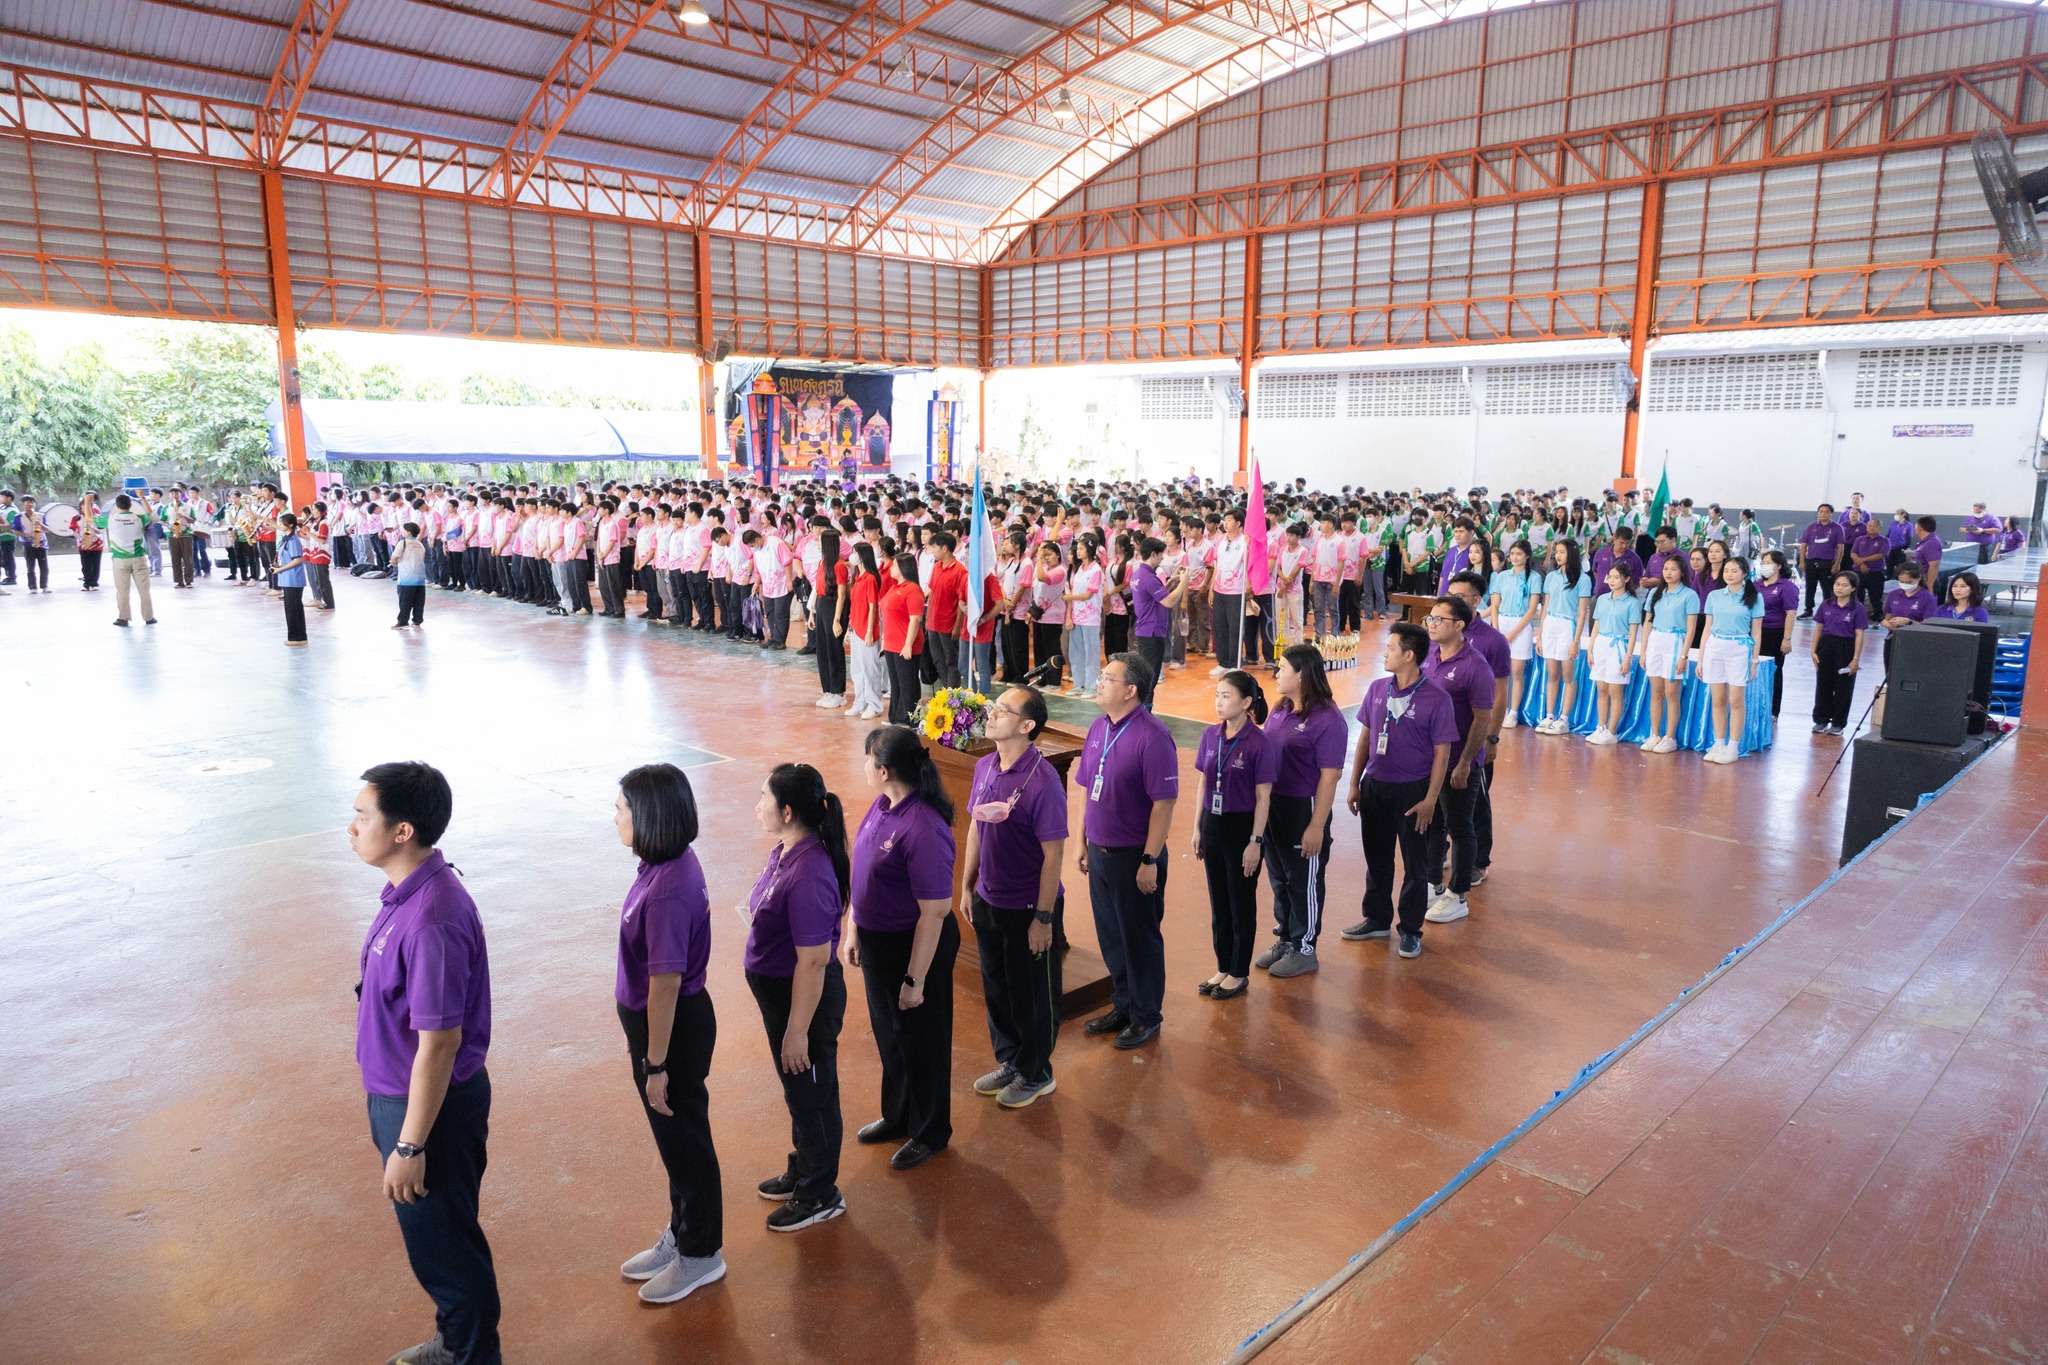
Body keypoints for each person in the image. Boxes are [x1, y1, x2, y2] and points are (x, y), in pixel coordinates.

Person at [348, 762, 499, 1365]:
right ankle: (456, 1340)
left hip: (426, 1111)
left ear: (402, 830)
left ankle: (473, 1356)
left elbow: (439, 1044)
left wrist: (410, 1147)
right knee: (437, 1243)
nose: (352, 827)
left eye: (363, 816)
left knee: (448, 1251)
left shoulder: (433, 917)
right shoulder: (406, 895)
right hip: (401, 1098)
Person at [609, 764, 725, 1304]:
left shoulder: (668, 890)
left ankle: (702, 1254)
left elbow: (665, 984)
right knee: (674, 1143)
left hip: (671, 1032)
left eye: (622, 809)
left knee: (685, 1144)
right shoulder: (662, 865)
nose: (615, 818)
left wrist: (655, 1065)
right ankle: (682, 1233)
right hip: (661, 1029)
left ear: (650, 816)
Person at [744, 763, 851, 1232]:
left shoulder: (809, 872)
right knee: (798, 1091)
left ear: (787, 811)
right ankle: (804, 1165)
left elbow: (811, 962)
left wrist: (797, 1031)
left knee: (813, 1093)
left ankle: (819, 1193)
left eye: (763, 797)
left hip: (802, 1003)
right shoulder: (788, 850)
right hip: (782, 996)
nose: (757, 805)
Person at [848, 725, 960, 1172]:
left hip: (915, 948)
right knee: (891, 1036)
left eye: (868, 759)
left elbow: (933, 913)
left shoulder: (924, 826)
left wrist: (915, 979)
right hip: (879, 944)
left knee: (922, 1040)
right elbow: (862, 872)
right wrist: (854, 929)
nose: (865, 767)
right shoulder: (882, 806)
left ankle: (930, 1130)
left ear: (884, 769)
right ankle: (897, 1115)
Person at [962, 686, 1068, 1109]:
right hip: (990, 898)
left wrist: (1044, 918)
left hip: (1028, 908)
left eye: (1003, 710)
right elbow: (974, 827)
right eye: (994, 706)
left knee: (1032, 994)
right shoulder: (985, 766)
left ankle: (1038, 1072)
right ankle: (1012, 1061)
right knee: (998, 986)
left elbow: (1054, 853)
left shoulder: (1043, 782)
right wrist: (968, 885)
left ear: (1027, 726)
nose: (992, 713)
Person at [1075, 652, 1180, 1050]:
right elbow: (1088, 787)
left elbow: (1164, 804)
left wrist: (1150, 859)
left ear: (1131, 690)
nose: (1099, 681)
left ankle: (1146, 1015)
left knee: (1139, 938)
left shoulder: (1152, 737)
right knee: (1112, 937)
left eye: (1107, 677)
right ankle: (1124, 1003)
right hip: (1101, 853)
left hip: (1135, 855)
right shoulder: (1099, 728)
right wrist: (1083, 839)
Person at [1340, 623, 1455, 959]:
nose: (1384, 652)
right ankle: (1376, 918)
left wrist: (1430, 799)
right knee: (1377, 858)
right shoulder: (1377, 688)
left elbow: (1442, 754)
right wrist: (1354, 783)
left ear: (1409, 655)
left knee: (1415, 865)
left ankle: (1410, 930)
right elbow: (1364, 737)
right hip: (1375, 787)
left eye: (1390, 647)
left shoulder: (1437, 699)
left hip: (1413, 792)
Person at [1254, 644, 1347, 978]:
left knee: (1303, 880)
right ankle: (1286, 938)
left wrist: (1316, 826)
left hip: (1302, 807)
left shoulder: (1328, 719)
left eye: (1282, 668)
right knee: (1279, 876)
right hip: (1273, 806)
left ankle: (1305, 948)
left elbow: (1330, 777)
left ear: (1302, 674)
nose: (1277, 674)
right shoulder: (1281, 709)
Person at [1193, 670, 1274, 1001]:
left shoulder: (1259, 743)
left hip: (1243, 828)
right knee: (1219, 902)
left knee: (1241, 902)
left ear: (1246, 702)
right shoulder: (1210, 736)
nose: (1219, 702)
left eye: (1226, 696)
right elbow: (1202, 782)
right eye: (1217, 695)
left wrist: (1255, 841)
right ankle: (1224, 965)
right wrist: (1198, 827)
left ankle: (1239, 972)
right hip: (1214, 824)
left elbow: (1263, 796)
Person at [1419, 595, 1496, 924]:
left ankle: (1458, 894)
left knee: (1459, 826)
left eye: (1439, 620)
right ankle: (1433, 884)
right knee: (1431, 824)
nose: (1432, 625)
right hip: (1429, 760)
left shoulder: (1475, 666)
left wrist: (1466, 762)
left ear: (1459, 625)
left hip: (1459, 761)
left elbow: (1482, 718)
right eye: (1430, 619)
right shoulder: (1429, 654)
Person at [1700, 556, 1764, 764]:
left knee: (1735, 700)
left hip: (1739, 648)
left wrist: (1754, 661)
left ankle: (1733, 746)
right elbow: (1707, 628)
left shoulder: (1754, 597)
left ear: (1745, 573)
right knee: (1717, 699)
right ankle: (1718, 743)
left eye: (1734, 571)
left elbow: (1756, 631)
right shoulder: (1714, 596)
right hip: (1715, 647)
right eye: (1726, 570)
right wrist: (1701, 658)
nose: (1729, 574)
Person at [1639, 554, 1700, 754]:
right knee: (1655, 692)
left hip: (1675, 642)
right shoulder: (1656, 593)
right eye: (1666, 569)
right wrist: (1644, 650)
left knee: (1671, 693)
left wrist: (1684, 656)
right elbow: (1648, 623)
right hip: (1656, 640)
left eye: (1673, 569)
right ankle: (1654, 733)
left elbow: (1691, 628)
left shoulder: (1689, 595)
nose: (1668, 573)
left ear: (1682, 572)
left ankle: (1670, 737)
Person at [1535, 537, 1587, 734]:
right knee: (1552, 673)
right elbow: (1545, 606)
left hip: (1567, 625)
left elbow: (1582, 612)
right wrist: (1540, 635)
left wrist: (1575, 640)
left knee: (1567, 675)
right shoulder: (1551, 577)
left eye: (1562, 552)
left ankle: (1564, 718)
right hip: (1550, 624)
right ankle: (1549, 716)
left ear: (1572, 555)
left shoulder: (1582, 579)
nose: (1557, 555)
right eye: (1556, 551)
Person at [1586, 562, 1642, 745]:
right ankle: (1601, 726)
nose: (1611, 580)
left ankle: (1612, 730)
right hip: (1601, 643)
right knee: (1601, 689)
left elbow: (1633, 634)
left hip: (1619, 646)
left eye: (1616, 577)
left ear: (1626, 579)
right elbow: (1596, 626)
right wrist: (1591, 648)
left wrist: (1628, 657)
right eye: (1609, 576)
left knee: (1614, 691)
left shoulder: (1633, 603)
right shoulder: (1602, 599)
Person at [1489, 539, 1539, 727]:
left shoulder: (1534, 577)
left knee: (1517, 671)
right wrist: (1496, 629)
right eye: (1512, 554)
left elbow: (1532, 609)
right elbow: (1495, 604)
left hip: (1521, 625)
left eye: (1519, 554)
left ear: (1527, 556)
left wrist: (1513, 633)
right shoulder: (1501, 577)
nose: (1515, 557)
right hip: (1502, 621)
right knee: (1498, 671)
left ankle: (1513, 712)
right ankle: (1497, 708)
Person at [1810, 571, 1867, 736]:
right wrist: (1813, 650)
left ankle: (1838, 723)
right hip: (1826, 645)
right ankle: (1821, 719)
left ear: (1853, 588)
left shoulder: (1858, 608)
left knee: (1843, 686)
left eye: (1845, 585)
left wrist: (1855, 658)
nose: (1840, 588)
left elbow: (1859, 634)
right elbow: (1818, 628)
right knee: (1823, 684)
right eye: (1837, 584)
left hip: (1846, 646)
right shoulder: (1826, 604)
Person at [880, 554, 926, 725]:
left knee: (908, 682)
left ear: (903, 568)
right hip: (892, 643)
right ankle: (895, 717)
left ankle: (910, 719)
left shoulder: (912, 589)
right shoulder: (895, 587)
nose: (890, 568)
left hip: (905, 643)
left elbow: (915, 619)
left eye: (894, 565)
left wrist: (908, 644)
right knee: (896, 682)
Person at [1755, 550, 1799, 718]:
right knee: (1754, 667)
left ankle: (1773, 710)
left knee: (1773, 670)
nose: (1764, 566)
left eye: (1768, 562)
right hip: (1756, 632)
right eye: (1763, 562)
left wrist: (1786, 639)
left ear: (1779, 566)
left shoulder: (1787, 587)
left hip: (1775, 632)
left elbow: (1790, 613)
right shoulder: (1757, 584)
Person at [99, 493, 155, 626]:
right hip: (139, 558)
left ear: (117, 506)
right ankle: (149, 617)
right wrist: (142, 498)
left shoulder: (110, 519)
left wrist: (87, 501)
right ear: (130, 505)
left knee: (122, 590)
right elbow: (150, 514)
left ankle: (123, 618)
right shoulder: (139, 518)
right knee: (144, 590)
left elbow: (89, 518)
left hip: (120, 560)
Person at [845, 542, 886, 720]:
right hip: (856, 628)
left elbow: (872, 607)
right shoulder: (857, 577)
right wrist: (849, 627)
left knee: (870, 669)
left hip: (866, 629)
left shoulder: (870, 578)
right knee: (857, 669)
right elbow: (854, 606)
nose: (852, 555)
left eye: (855, 552)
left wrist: (870, 630)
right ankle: (860, 702)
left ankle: (874, 704)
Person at [1796, 503, 1846, 616]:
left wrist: (1837, 564)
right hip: (1811, 561)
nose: (1823, 514)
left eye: (1826, 511)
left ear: (1831, 514)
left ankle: (1828, 610)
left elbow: (1840, 547)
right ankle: (1808, 610)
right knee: (1810, 587)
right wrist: (1802, 561)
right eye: (1821, 511)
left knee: (1827, 589)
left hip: (1827, 563)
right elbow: (1803, 544)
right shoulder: (1811, 527)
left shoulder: (1837, 528)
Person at [274, 513, 309, 646]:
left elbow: (298, 559)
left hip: (293, 578)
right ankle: (296, 636)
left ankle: (297, 637)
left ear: (291, 525)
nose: (280, 525)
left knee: (293, 608)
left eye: (283, 523)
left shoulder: (293, 540)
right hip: (287, 578)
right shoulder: (286, 539)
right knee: (291, 608)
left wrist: (281, 569)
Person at [394, 522, 429, 629]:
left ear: (409, 532)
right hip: (420, 578)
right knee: (418, 601)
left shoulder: (403, 543)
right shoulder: (420, 544)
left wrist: (393, 563)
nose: (402, 532)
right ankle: (417, 621)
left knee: (405, 600)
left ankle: (403, 621)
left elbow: (394, 557)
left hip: (406, 577)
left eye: (403, 530)